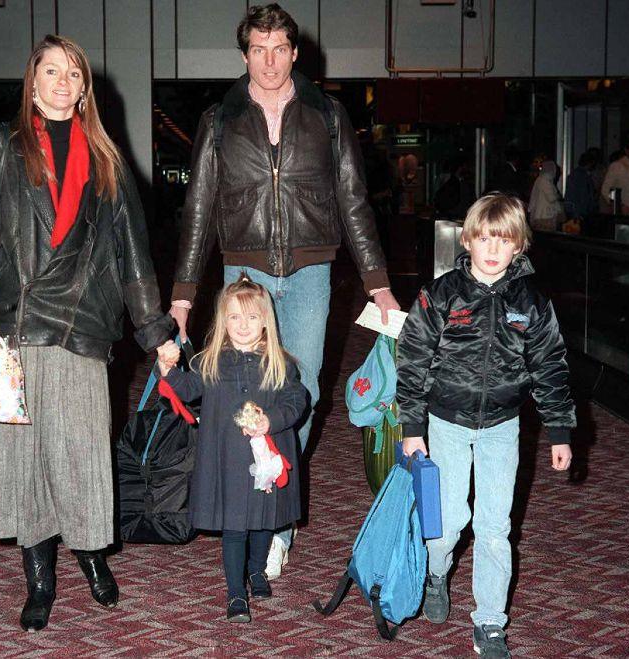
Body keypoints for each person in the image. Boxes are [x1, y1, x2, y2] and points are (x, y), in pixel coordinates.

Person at [0, 34, 174, 632]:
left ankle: (92, 556)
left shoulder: (106, 160)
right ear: (33, 80)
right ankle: (39, 577)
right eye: (52, 71)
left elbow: (133, 256)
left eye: (73, 73)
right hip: (15, 324)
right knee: (23, 458)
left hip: (81, 323)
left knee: (83, 452)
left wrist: (156, 331)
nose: (63, 82)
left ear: (83, 85)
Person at [169, 3, 400, 578]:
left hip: (310, 273)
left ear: (295, 53)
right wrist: (182, 295)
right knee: (236, 394)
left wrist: (379, 286)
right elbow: (198, 209)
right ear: (244, 54)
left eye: (280, 49)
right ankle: (258, 503)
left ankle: (275, 515)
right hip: (242, 275)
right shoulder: (220, 119)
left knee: (302, 390)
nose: (269, 61)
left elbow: (353, 201)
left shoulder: (327, 114)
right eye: (258, 49)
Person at [396, 194, 575, 658]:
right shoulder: (440, 294)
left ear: (519, 246)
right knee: (450, 520)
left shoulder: (532, 302)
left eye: (504, 240)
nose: (493, 249)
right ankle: (437, 573)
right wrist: (411, 426)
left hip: (502, 425)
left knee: (495, 526)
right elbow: (412, 360)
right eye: (484, 238)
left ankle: (490, 622)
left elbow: (550, 365)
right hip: (446, 421)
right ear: (468, 240)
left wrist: (558, 429)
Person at [156, 276, 307, 623]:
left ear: (266, 321)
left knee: (264, 522)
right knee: (235, 527)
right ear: (224, 321)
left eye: (252, 317)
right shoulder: (211, 361)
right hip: (228, 462)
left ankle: (256, 570)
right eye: (235, 317)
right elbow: (187, 388)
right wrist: (167, 367)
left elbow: (297, 399)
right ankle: (236, 592)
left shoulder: (280, 363)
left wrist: (273, 420)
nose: (242, 325)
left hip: (267, 458)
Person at [600, 137, 629, 216]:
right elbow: (606, 190)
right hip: (624, 215)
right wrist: (620, 205)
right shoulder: (617, 166)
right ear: (626, 150)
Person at [528, 160, 565, 231]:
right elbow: (551, 198)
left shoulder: (541, 179)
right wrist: (558, 196)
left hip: (540, 214)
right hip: (545, 215)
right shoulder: (545, 180)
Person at [564, 151, 598, 219]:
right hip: (580, 211)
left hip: (578, 211)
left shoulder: (577, 175)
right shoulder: (582, 176)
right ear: (590, 163)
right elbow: (582, 195)